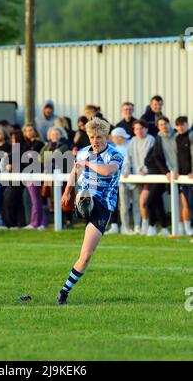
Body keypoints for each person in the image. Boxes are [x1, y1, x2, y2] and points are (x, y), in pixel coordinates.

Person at [58, 117, 123, 305]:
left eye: (99, 137)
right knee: (85, 193)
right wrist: (67, 191)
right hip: (86, 196)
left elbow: (109, 171)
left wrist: (87, 164)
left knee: (85, 256)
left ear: (106, 137)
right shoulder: (83, 153)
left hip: (103, 206)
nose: (95, 141)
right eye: (92, 137)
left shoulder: (115, 154)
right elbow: (74, 171)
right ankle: (82, 205)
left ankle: (64, 292)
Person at [145, 116, 178, 236]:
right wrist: (166, 172)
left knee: (154, 201)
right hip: (163, 173)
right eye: (161, 125)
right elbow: (156, 157)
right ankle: (157, 227)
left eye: (165, 124)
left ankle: (160, 226)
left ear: (169, 124)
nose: (163, 126)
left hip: (179, 172)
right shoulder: (158, 138)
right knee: (154, 200)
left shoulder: (177, 135)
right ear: (158, 127)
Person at [124, 120, 155, 235]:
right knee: (139, 203)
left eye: (141, 128)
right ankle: (142, 226)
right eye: (136, 129)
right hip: (136, 177)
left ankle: (147, 225)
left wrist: (144, 170)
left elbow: (151, 158)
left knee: (144, 201)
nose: (139, 131)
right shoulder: (132, 141)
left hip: (148, 175)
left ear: (146, 128)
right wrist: (126, 170)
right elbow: (128, 158)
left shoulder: (151, 140)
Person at [40, 126, 72, 229]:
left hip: (63, 176)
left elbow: (58, 155)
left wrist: (49, 156)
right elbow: (40, 158)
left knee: (66, 200)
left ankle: (68, 221)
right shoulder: (47, 146)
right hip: (51, 178)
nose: (55, 136)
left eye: (57, 134)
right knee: (54, 200)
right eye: (53, 134)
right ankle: (59, 221)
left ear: (61, 135)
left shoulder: (64, 145)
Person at [110, 127, 138, 235]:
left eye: (114, 137)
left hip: (134, 179)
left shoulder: (130, 145)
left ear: (120, 137)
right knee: (124, 205)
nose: (112, 140)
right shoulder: (114, 149)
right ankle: (124, 227)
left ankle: (137, 227)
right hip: (121, 181)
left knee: (136, 204)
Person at [22, 123, 47, 230]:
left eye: (31, 130)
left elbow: (39, 158)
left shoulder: (40, 143)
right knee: (34, 199)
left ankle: (35, 223)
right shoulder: (26, 144)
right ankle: (42, 222)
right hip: (27, 174)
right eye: (27, 131)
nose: (29, 132)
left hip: (35, 173)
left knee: (36, 200)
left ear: (35, 131)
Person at [0, 130, 27, 229]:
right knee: (15, 201)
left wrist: (10, 165)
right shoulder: (14, 150)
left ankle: (11, 223)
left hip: (18, 180)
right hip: (13, 179)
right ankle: (16, 223)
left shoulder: (21, 150)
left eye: (14, 138)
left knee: (10, 200)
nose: (12, 140)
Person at [175, 116, 193, 236]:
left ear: (187, 124)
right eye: (178, 125)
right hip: (181, 177)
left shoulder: (190, 136)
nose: (180, 127)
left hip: (190, 175)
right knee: (185, 203)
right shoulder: (176, 138)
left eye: (183, 124)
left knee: (190, 203)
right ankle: (186, 228)